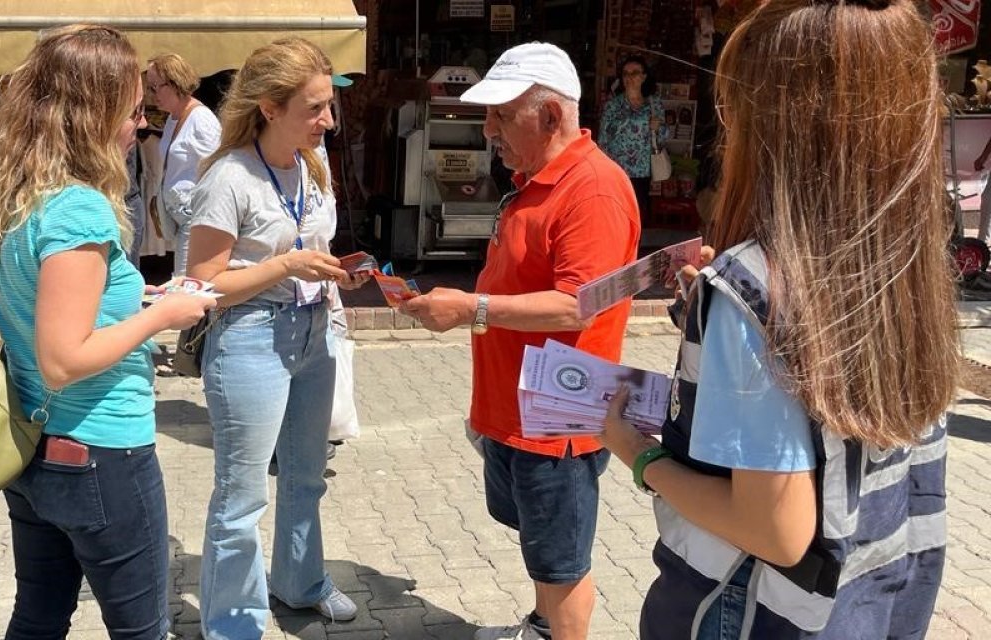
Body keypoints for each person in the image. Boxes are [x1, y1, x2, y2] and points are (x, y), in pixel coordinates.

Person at [601, 1, 956, 638]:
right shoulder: (911, 271)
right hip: (869, 607)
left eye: (736, 113)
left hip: (749, 612)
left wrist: (640, 453)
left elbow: (776, 529)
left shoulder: (751, 288)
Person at [0, 24, 215, 638]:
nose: (139, 126)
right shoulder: (79, 208)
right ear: (90, 115)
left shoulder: (16, 198)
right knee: (141, 628)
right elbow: (63, 358)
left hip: (32, 449)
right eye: (131, 111)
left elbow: (8, 315)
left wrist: (136, 298)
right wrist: (162, 315)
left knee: (38, 619)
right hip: (100, 451)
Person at [401, 42, 640, 640]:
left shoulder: (594, 190)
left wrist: (470, 308)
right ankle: (542, 625)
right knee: (543, 548)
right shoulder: (538, 180)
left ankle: (558, 628)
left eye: (502, 115)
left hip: (560, 418)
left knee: (562, 563)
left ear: (552, 116)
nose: (488, 130)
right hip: (518, 407)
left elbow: (574, 305)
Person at [185, 36, 369, 640]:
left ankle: (300, 581)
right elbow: (203, 283)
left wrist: (340, 272)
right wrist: (286, 265)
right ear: (268, 106)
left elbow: (311, 249)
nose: (328, 120)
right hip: (250, 338)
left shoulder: (313, 167)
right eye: (314, 108)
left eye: (328, 106)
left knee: (306, 474)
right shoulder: (229, 177)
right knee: (241, 497)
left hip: (314, 334)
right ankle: (233, 621)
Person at [148, 52, 222, 277]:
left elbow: (218, 167)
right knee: (184, 278)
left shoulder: (201, 120)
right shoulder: (174, 117)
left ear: (174, 83)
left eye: (155, 87)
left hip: (195, 216)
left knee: (186, 281)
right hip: (179, 217)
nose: (153, 95)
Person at [597, 55, 666, 224]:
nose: (629, 77)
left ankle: (634, 247)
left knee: (637, 213)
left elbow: (664, 137)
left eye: (635, 72)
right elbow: (602, 139)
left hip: (642, 169)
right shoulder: (613, 105)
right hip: (616, 168)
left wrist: (658, 129)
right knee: (615, 214)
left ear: (644, 76)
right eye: (626, 73)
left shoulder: (654, 104)